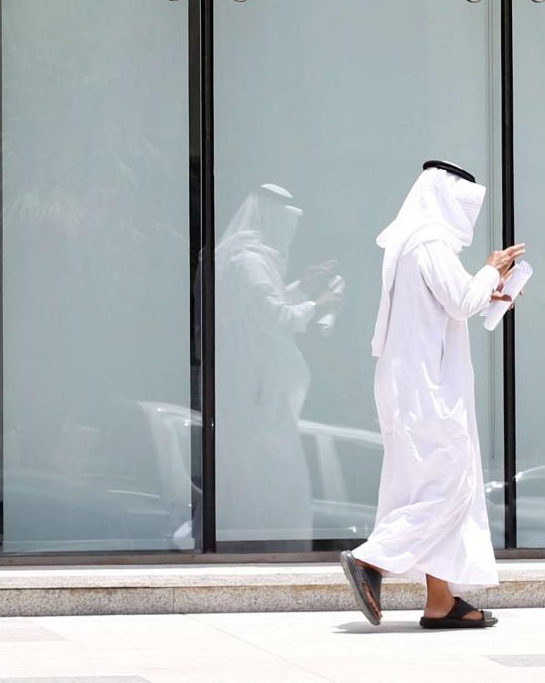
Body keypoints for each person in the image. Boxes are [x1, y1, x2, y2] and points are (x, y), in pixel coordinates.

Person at [340, 161, 525, 629]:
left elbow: (450, 303)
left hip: (411, 387)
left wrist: (489, 290)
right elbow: (462, 300)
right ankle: (372, 561)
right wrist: (488, 272)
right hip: (427, 391)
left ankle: (441, 601)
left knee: (424, 487)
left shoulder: (408, 244)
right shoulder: (428, 243)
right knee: (451, 486)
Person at [214, 184, 343, 545]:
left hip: (257, 386)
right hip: (253, 391)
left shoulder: (250, 259)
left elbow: (266, 308)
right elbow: (276, 319)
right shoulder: (249, 262)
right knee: (268, 478)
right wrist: (321, 303)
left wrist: (304, 285)